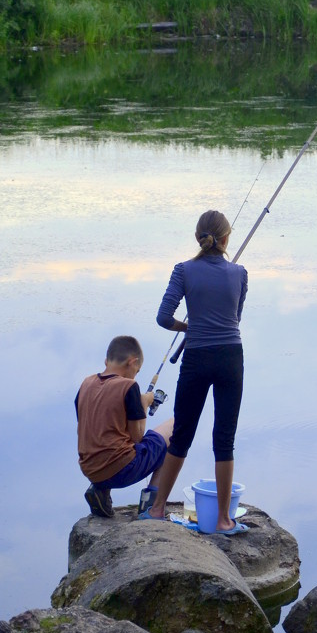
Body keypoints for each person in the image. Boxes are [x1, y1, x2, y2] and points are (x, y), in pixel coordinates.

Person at [141, 210, 249, 535]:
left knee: (182, 434)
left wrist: (186, 326)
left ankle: (157, 508)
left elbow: (163, 317)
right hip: (231, 357)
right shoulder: (240, 273)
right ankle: (224, 520)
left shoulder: (183, 270)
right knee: (224, 438)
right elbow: (235, 318)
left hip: (197, 357)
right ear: (227, 239)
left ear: (197, 238)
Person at [76, 335, 174, 518]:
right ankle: (151, 505)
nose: (135, 375)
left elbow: (92, 426)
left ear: (107, 360)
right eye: (137, 370)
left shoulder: (86, 384)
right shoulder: (129, 386)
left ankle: (99, 490)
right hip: (121, 470)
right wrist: (143, 403)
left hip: (89, 469)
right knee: (177, 428)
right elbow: (137, 436)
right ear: (132, 362)